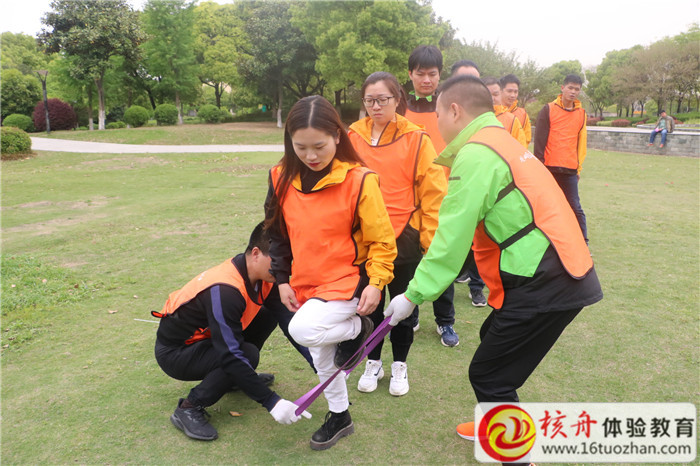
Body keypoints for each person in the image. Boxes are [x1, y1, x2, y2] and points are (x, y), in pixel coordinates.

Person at [384, 75, 603, 453]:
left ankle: (515, 454)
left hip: (548, 277)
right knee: (491, 338)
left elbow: (450, 240)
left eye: (438, 114)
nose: (437, 123)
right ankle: (494, 425)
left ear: (455, 110)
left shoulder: (477, 153)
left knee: (489, 375)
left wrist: (411, 295)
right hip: (556, 269)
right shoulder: (498, 140)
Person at [265, 95, 397, 450]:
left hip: (350, 282)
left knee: (303, 330)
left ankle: (359, 329)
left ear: (338, 136)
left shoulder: (360, 180)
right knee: (323, 358)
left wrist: (376, 283)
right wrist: (281, 280)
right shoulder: (280, 177)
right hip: (305, 282)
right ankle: (340, 416)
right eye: (301, 147)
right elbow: (276, 235)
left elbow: (382, 241)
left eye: (319, 146)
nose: (310, 156)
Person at [153, 223, 314, 441]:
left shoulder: (265, 276)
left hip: (208, 341)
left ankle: (236, 378)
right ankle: (189, 407)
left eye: (287, 262)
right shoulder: (225, 290)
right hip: (176, 353)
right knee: (245, 355)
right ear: (256, 253)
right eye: (278, 261)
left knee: (268, 314)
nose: (285, 269)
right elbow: (230, 353)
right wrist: (272, 402)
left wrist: (319, 364)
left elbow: (288, 321)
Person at [347, 70, 448, 397]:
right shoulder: (353, 136)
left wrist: (427, 240)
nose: (376, 106)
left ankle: (400, 366)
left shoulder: (417, 139)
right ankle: (373, 362)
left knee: (402, 307)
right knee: (369, 305)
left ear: (397, 99)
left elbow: (434, 195)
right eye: (369, 100)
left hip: (404, 235)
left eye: (383, 99)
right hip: (365, 237)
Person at [402, 45, 460, 347]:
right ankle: (410, 315)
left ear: (440, 75)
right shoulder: (399, 106)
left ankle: (445, 321)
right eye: (420, 73)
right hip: (409, 199)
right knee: (410, 261)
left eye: (432, 74)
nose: (426, 80)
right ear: (410, 74)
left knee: (441, 259)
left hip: (445, 196)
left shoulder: (451, 106)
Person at [450, 60, 489, 306]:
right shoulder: (441, 114)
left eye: (475, 80)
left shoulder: (488, 122)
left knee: (479, 240)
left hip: (477, 191)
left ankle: (477, 286)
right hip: (444, 192)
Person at [534, 74, 589, 243]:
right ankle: (545, 241)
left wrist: (578, 168)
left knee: (575, 207)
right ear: (562, 88)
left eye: (577, 89)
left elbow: (581, 143)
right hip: (549, 168)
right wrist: (539, 167)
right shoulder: (548, 109)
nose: (573, 92)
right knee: (545, 206)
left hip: (570, 169)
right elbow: (539, 141)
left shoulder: (581, 114)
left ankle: (582, 242)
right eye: (570, 88)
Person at [483, 77, 527, 148]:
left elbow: (521, 148)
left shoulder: (512, 120)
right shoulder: (470, 117)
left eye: (495, 94)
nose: (492, 98)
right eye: (487, 94)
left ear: (500, 94)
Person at [500, 73, 532, 146]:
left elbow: (526, 139)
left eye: (515, 92)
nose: (513, 95)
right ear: (500, 91)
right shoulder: (493, 112)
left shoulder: (523, 114)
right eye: (509, 91)